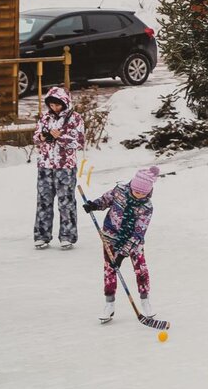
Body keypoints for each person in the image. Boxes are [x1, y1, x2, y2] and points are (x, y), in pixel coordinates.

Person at [84, 166, 159, 323]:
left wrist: (123, 255)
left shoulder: (146, 208)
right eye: (136, 191)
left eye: (142, 193)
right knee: (109, 268)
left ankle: (145, 301)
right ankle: (109, 304)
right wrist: (94, 205)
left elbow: (138, 233)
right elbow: (106, 200)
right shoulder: (120, 190)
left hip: (133, 242)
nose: (138, 195)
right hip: (110, 235)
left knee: (141, 269)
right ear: (131, 185)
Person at [32, 86, 85, 250]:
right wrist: (41, 137)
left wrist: (60, 136)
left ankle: (67, 235)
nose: (54, 108)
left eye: (58, 105)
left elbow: (79, 142)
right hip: (45, 165)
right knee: (43, 201)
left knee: (66, 201)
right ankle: (42, 235)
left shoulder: (75, 119)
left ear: (65, 103)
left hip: (65, 167)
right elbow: (36, 136)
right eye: (52, 105)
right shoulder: (45, 118)